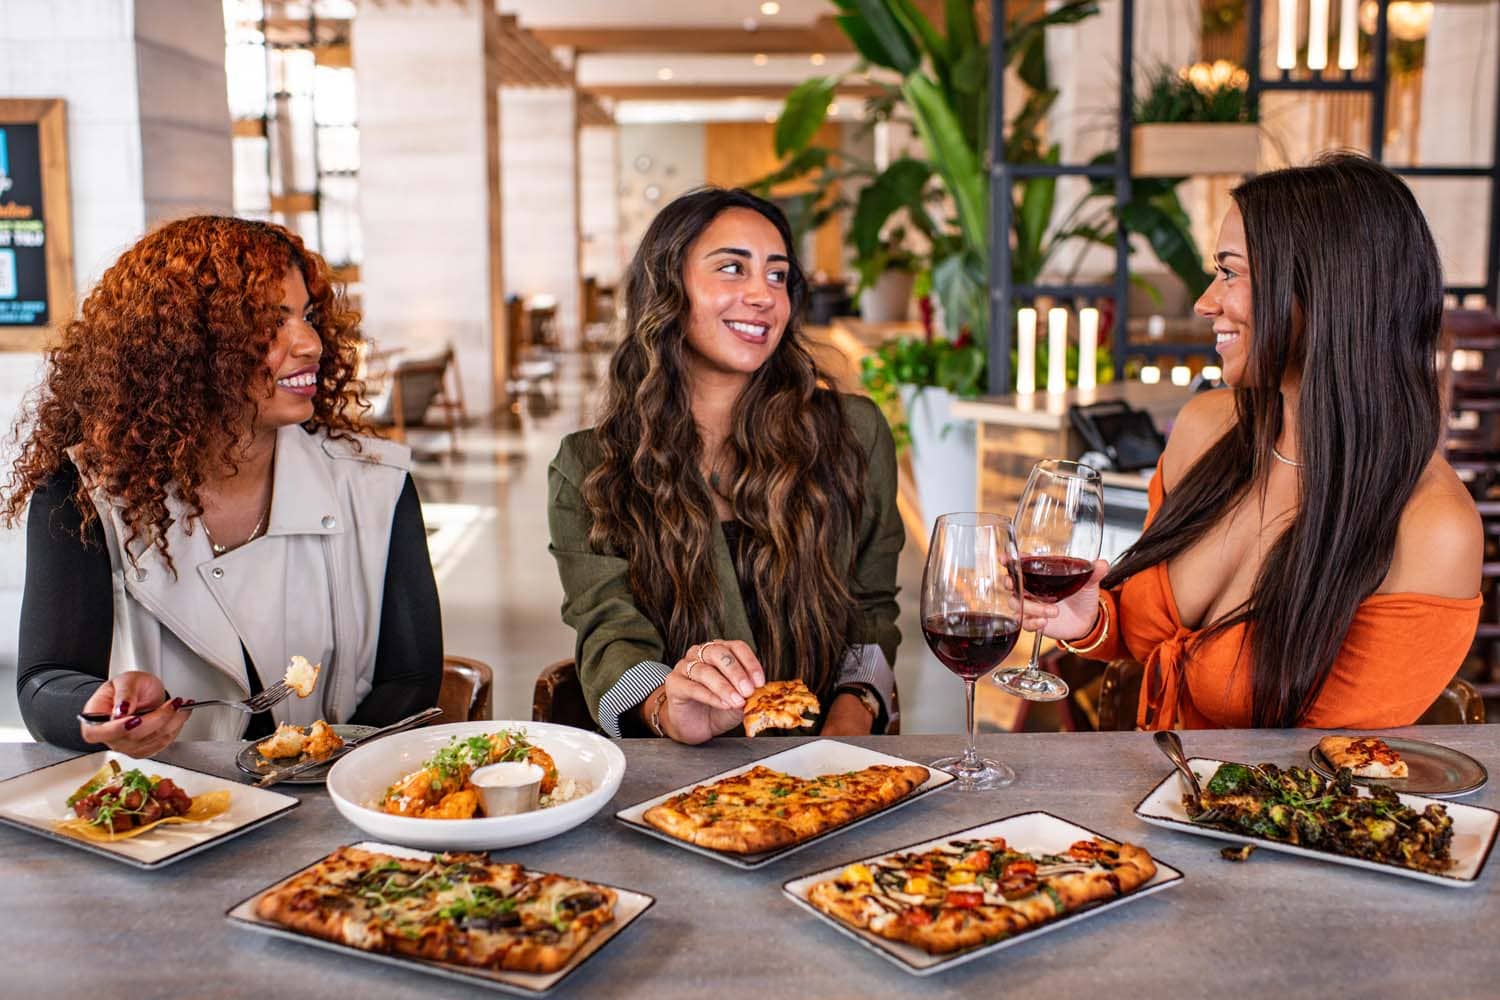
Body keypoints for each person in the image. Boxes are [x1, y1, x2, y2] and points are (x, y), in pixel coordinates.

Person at [1025, 153, 1482, 730]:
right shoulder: (1207, 429)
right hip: (1143, 794)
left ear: (1324, 293)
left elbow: (1330, 786)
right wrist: (1090, 621)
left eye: (1230, 272)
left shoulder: (1431, 528)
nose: (1204, 302)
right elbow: (1144, 633)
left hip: (1243, 818)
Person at [9, 216, 443, 755]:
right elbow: (46, 680)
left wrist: (320, 767)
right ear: (184, 346)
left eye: (305, 316)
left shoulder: (376, 484)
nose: (310, 343)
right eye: (271, 321)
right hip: (168, 815)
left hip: (336, 802)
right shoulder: (86, 493)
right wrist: (103, 706)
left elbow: (410, 681)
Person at [548, 188, 904, 742]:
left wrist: (850, 721)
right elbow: (609, 634)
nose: (764, 294)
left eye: (779, 275)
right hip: (680, 775)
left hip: (833, 769)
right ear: (668, 288)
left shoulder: (853, 435)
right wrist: (667, 705)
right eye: (733, 268)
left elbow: (872, 610)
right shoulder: (591, 468)